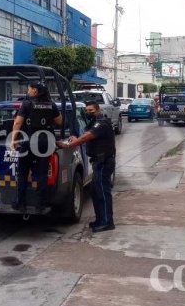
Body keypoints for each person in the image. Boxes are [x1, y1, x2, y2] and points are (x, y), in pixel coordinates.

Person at [57, 100, 116, 233]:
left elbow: (85, 138)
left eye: (91, 111)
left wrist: (67, 145)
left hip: (104, 162)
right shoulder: (93, 123)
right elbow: (83, 134)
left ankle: (107, 222)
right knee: (96, 192)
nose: (89, 113)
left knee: (102, 193)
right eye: (87, 111)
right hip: (98, 162)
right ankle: (100, 220)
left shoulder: (101, 123)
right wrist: (74, 136)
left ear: (98, 110)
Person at [10, 81, 63, 213]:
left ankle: (20, 203)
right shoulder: (51, 104)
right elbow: (59, 121)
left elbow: (18, 123)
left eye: (29, 89)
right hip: (46, 141)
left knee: (22, 173)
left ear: (35, 90)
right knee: (42, 174)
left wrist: (13, 140)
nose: (28, 91)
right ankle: (40, 205)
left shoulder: (27, 104)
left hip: (29, 140)